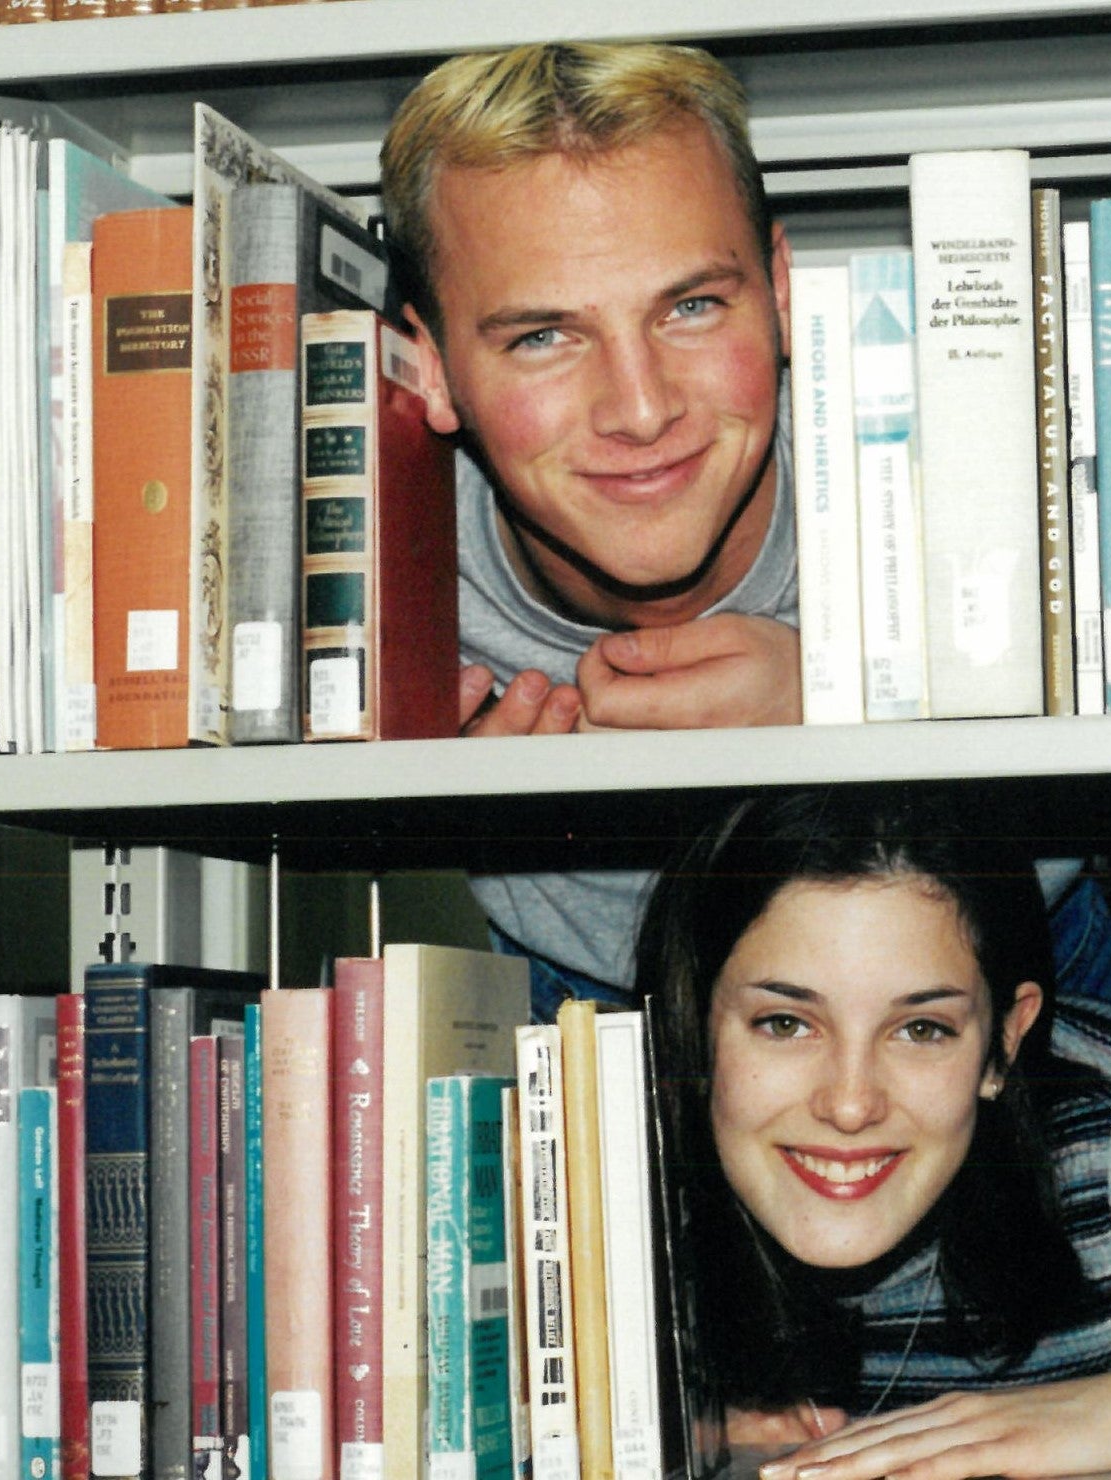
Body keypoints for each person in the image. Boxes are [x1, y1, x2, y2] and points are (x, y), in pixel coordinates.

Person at [636, 790, 1111, 1477]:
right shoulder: (607, 1176)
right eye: (785, 1023)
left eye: (921, 1030)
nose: (851, 1104)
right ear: (695, 1024)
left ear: (1004, 1045)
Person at [376, 42, 803, 1002]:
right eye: (543, 337)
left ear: (779, 291)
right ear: (433, 365)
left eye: (690, 307)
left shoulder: (949, 470)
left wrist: (868, 724)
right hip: (561, 996)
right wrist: (425, 829)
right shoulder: (365, 578)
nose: (642, 410)